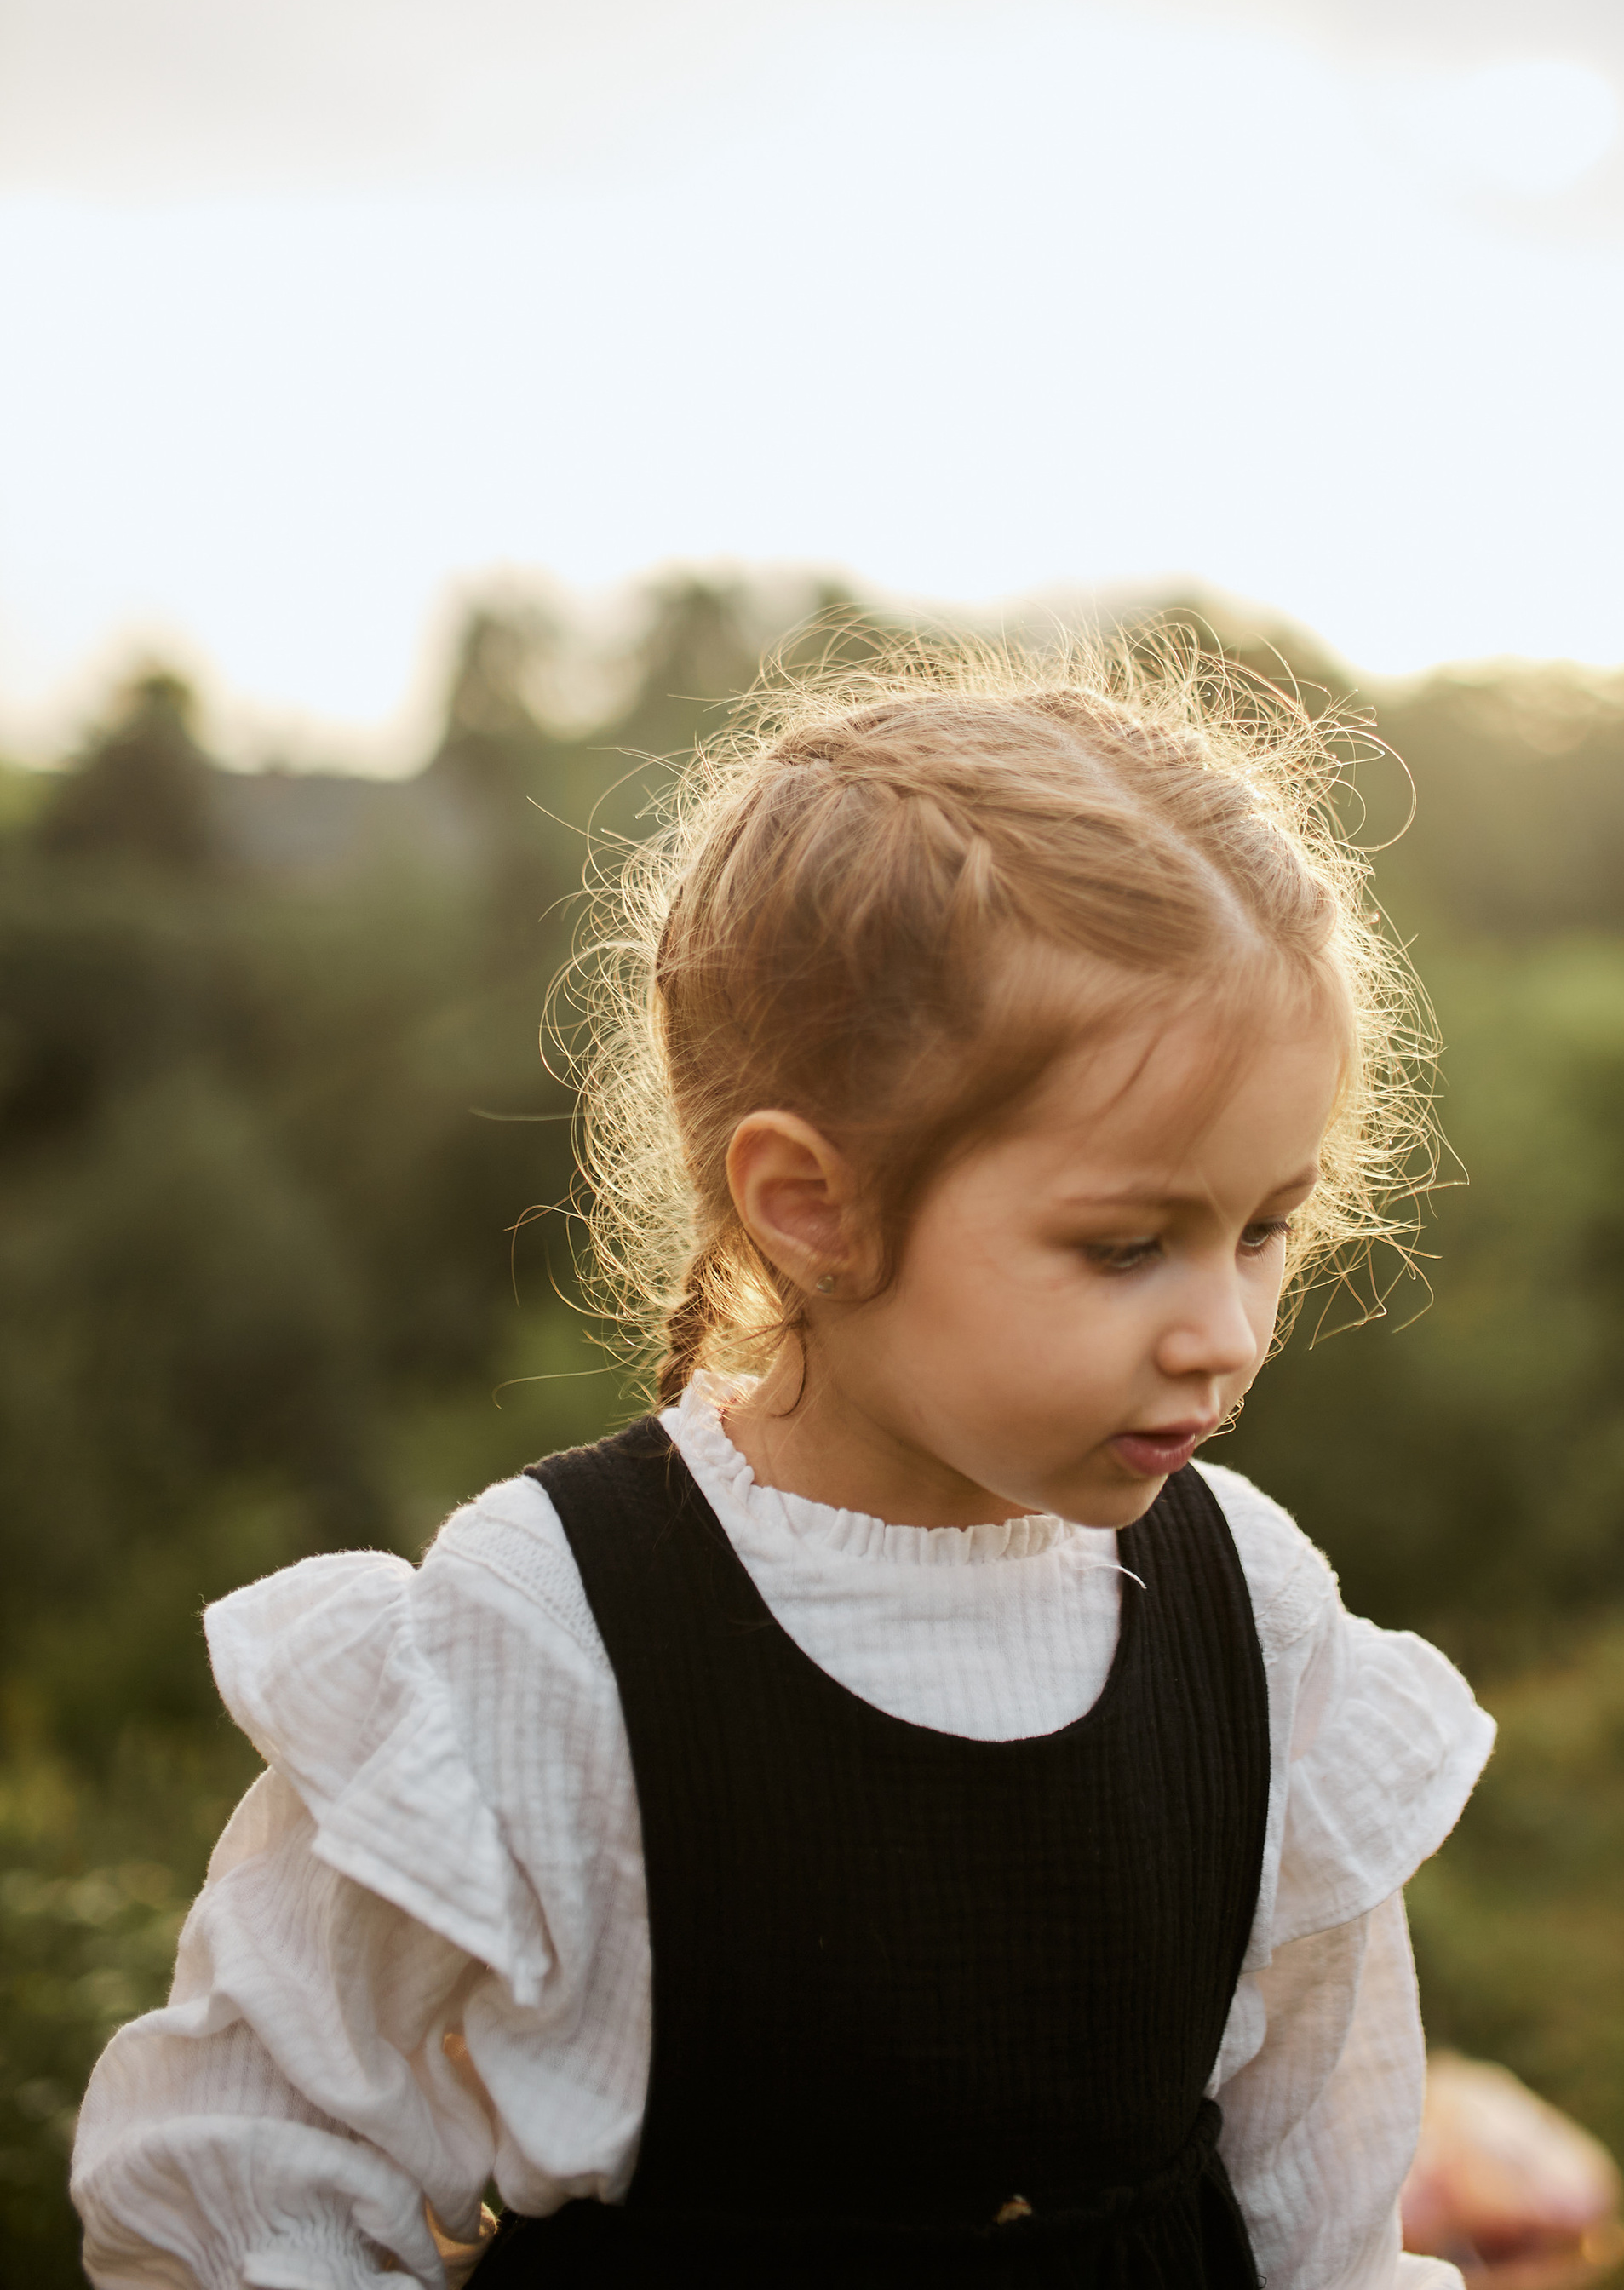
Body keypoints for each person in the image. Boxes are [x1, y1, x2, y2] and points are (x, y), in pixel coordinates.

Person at [73, 638, 1501, 2288]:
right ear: (809, 1202)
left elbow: (1323, 2205)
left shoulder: (1249, 1612)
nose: (1226, 1333)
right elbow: (240, 2187)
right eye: (1126, 1247)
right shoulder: (549, 1632)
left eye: (1262, 1231)